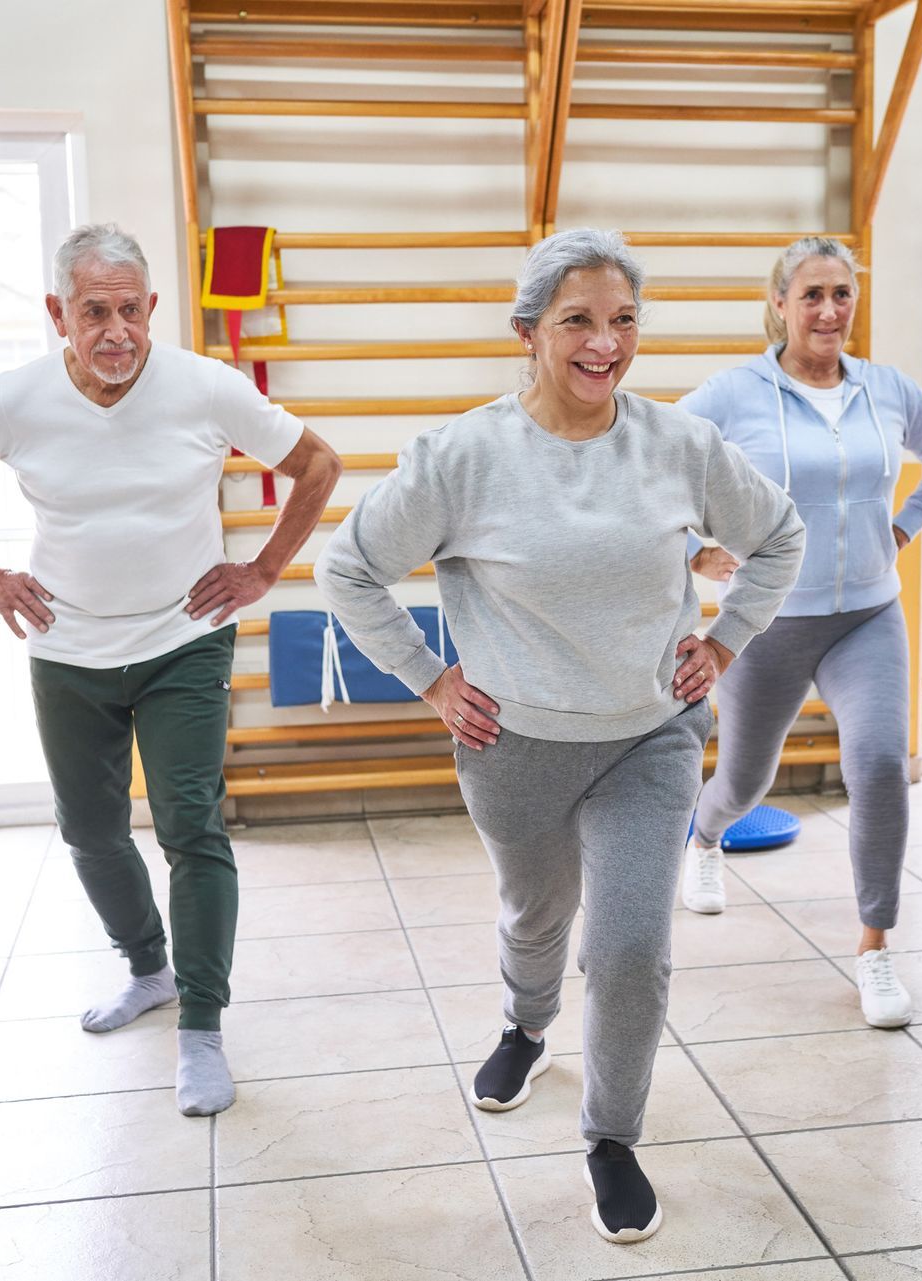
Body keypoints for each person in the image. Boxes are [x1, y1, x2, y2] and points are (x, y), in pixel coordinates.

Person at [316, 228, 802, 1244]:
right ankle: (526, 1024)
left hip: (650, 736)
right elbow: (348, 569)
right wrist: (430, 679)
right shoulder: (463, 458)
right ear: (528, 332)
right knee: (537, 919)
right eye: (579, 320)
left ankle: (611, 1137)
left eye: (623, 321)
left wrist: (726, 643)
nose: (604, 343)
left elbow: (778, 536)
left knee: (630, 948)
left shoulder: (677, 445)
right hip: (514, 745)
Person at [0, 223, 342, 1117]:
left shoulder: (205, 387)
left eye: (130, 310)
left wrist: (261, 571)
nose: (115, 331)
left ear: (151, 309)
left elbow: (318, 464)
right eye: (94, 311)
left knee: (191, 827)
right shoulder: (14, 399)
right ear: (59, 312)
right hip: (67, 646)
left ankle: (203, 1027)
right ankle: (148, 969)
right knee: (91, 830)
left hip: (183, 638)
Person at [678, 236, 922, 1028]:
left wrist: (901, 531)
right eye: (811, 295)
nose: (829, 311)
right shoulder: (736, 393)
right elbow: (654, 466)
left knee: (878, 764)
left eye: (842, 294)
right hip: (765, 621)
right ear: (778, 304)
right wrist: (692, 549)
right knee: (743, 781)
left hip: (868, 615)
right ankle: (703, 838)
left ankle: (875, 947)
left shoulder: (886, 390)